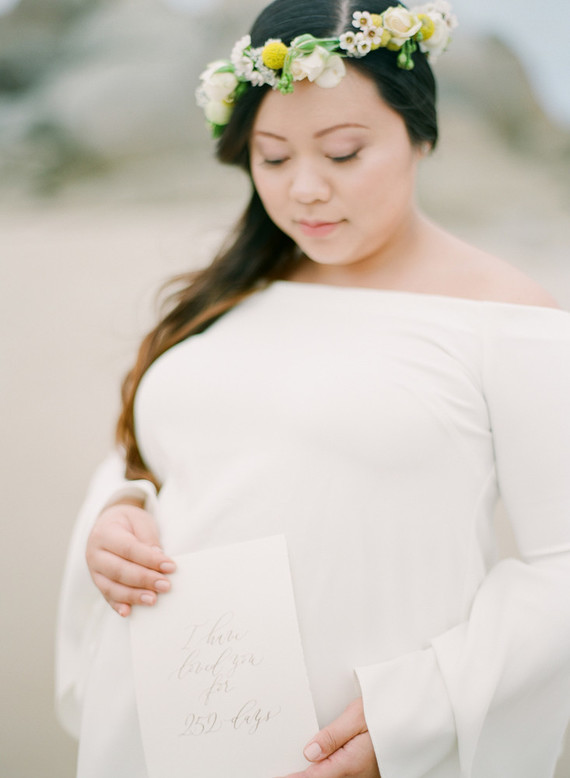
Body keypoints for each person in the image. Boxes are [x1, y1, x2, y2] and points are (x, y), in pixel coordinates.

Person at [55, 1, 570, 776]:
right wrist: (118, 517)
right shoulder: (232, 295)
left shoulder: (509, 320)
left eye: (342, 152)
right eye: (272, 157)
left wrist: (418, 711)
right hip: (164, 725)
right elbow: (158, 461)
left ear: (419, 133)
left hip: (343, 744)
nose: (303, 191)